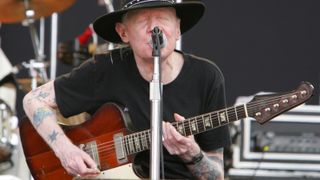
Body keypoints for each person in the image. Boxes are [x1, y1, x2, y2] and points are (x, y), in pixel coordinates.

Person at [23, 0, 231, 179]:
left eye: (163, 19)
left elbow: (216, 175)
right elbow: (33, 100)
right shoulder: (105, 69)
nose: (154, 29)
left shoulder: (206, 77)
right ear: (123, 33)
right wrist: (65, 150)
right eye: (143, 21)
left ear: (177, 29)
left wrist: (192, 154)